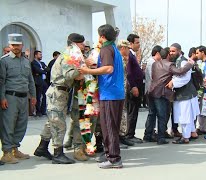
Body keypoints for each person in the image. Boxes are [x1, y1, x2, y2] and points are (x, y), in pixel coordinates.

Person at [33, 33, 86, 164]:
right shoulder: (68, 56)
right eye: (81, 43)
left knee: (52, 121)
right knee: (58, 123)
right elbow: (69, 75)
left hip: (61, 92)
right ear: (75, 44)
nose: (83, 46)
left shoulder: (71, 55)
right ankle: (58, 154)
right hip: (58, 92)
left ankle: (42, 147)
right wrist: (83, 69)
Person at [79, 24, 125, 169]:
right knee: (112, 126)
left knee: (109, 127)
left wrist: (87, 70)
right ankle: (109, 154)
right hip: (116, 93)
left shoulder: (106, 49)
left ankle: (114, 159)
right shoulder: (114, 49)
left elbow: (108, 68)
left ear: (102, 36)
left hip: (110, 94)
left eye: (99, 35)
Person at [0, 33, 37, 164]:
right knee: (8, 125)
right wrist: (2, 97)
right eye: (13, 45)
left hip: (23, 97)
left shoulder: (26, 61)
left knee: (21, 124)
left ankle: (15, 149)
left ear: (22, 45)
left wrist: (33, 95)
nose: (16, 47)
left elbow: (30, 80)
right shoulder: (4, 61)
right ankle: (7, 153)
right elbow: (1, 81)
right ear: (9, 45)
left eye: (18, 45)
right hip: (10, 97)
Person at [166, 43, 200, 144]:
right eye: (170, 51)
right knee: (187, 115)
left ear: (179, 51)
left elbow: (185, 78)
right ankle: (193, 133)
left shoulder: (183, 61)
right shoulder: (178, 61)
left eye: (173, 51)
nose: (171, 53)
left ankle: (185, 137)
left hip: (185, 94)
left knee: (185, 116)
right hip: (184, 93)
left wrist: (173, 83)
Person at [125, 34, 144, 144]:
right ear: (130, 44)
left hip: (137, 86)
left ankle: (131, 133)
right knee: (132, 111)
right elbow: (129, 73)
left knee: (135, 111)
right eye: (137, 43)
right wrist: (133, 86)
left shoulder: (133, 55)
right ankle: (129, 134)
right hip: (134, 87)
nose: (139, 45)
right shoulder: (129, 56)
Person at [31, 50, 49, 116]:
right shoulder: (33, 63)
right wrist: (43, 71)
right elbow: (37, 70)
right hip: (38, 81)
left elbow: (48, 69)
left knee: (45, 95)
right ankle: (38, 111)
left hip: (44, 81)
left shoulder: (42, 63)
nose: (41, 56)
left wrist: (42, 70)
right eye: (39, 55)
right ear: (36, 55)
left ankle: (43, 110)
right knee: (38, 96)